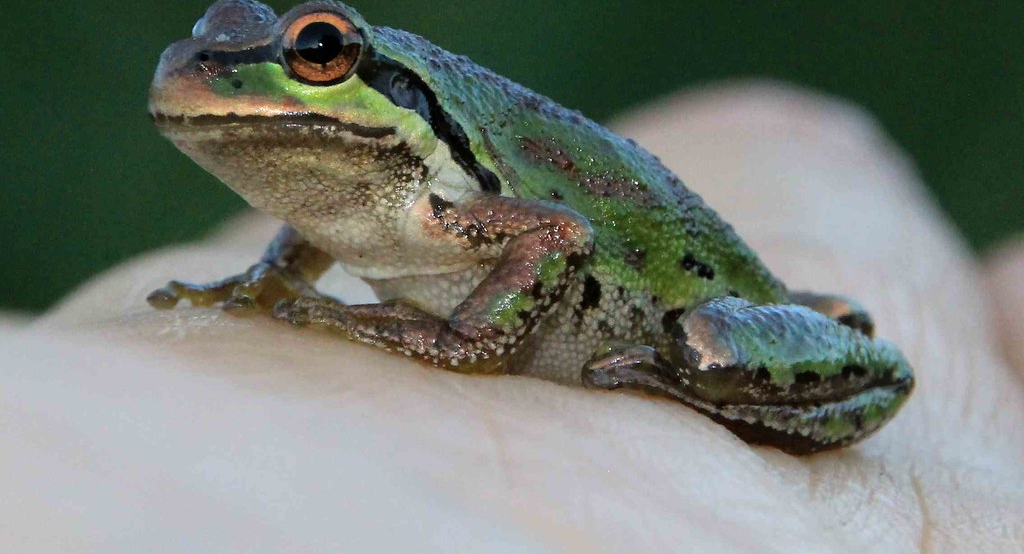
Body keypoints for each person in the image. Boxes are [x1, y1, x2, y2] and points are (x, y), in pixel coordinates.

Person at [3, 82, 1022, 551]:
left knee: (709, 345)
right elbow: (321, 215)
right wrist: (268, 281)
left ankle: (715, 361)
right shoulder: (361, 185)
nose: (233, 74)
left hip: (702, 304)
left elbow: (561, 233)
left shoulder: (450, 192)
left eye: (312, 52)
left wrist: (460, 340)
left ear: (386, 90)